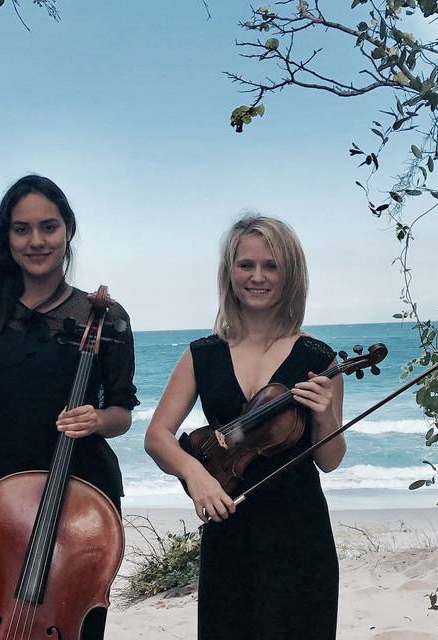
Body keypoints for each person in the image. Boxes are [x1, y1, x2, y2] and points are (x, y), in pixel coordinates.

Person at [0, 174, 138, 639]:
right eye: (21, 229)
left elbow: (122, 412)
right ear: (6, 238)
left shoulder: (104, 314)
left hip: (81, 500)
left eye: (48, 227)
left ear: (67, 230)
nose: (36, 240)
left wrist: (97, 419)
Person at [144, 214, 346, 639]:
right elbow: (157, 436)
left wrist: (325, 412)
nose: (258, 277)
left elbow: (329, 460)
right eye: (246, 265)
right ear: (229, 271)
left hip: (299, 531)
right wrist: (196, 474)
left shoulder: (319, 357)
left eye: (271, 266)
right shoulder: (202, 354)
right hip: (228, 526)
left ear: (290, 274)